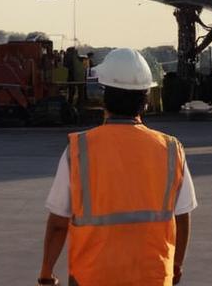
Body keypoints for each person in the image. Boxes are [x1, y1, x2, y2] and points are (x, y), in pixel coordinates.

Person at [38, 47, 195, 286]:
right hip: (152, 277)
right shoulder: (172, 150)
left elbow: (59, 223)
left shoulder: (79, 148)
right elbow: (182, 218)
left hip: (92, 277)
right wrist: (175, 266)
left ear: (104, 95)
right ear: (145, 98)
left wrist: (46, 274)